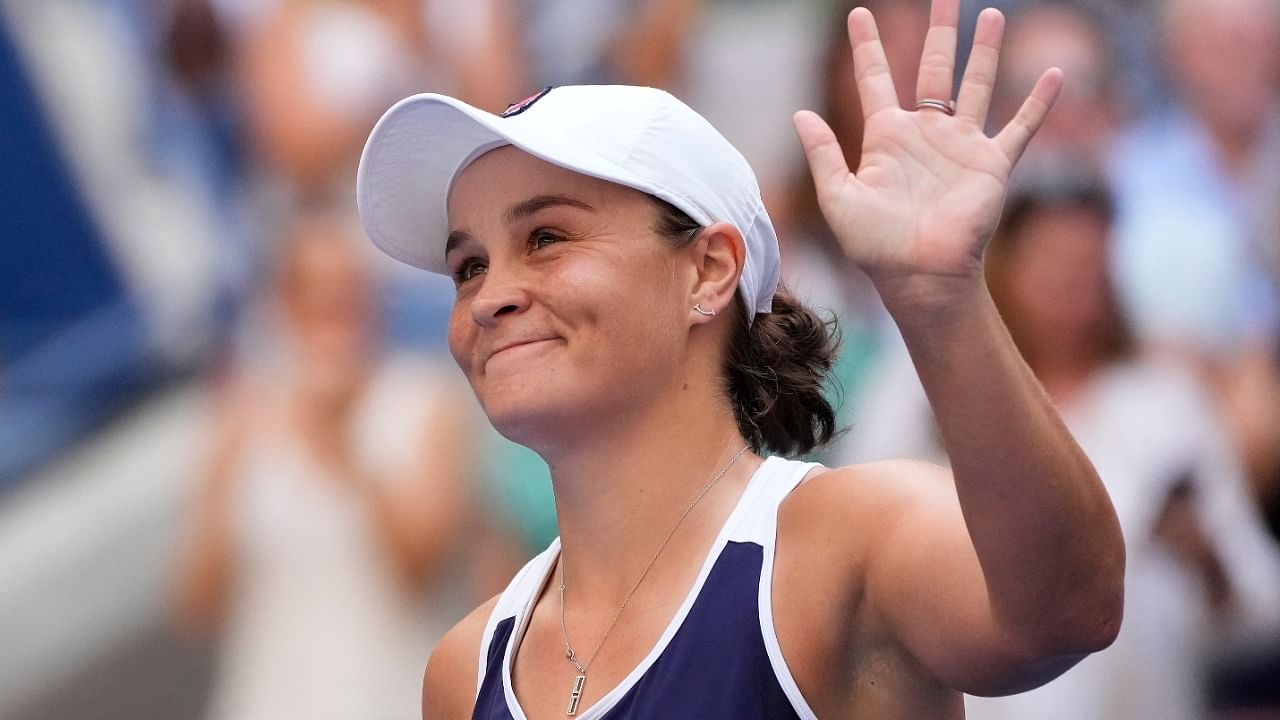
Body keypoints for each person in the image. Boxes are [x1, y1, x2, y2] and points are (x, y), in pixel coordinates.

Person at [355, 1, 1125, 717]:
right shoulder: (463, 668)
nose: (490, 297)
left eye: (546, 238)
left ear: (710, 270)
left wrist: (940, 298)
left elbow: (1066, 612)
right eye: (468, 267)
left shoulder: (843, 542)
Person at [834, 165, 1280, 720]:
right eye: (1052, 261)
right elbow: (850, 539)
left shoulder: (1162, 402)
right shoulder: (921, 382)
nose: (1072, 282)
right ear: (1004, 265)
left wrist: (1204, 560)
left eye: (1088, 264)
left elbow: (1260, 609)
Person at [172, 209, 473, 720]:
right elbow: (196, 604)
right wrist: (224, 475)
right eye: (315, 294)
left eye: (350, 292)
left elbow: (420, 571)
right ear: (284, 303)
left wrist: (341, 445)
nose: (337, 312)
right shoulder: (241, 418)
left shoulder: (423, 401)